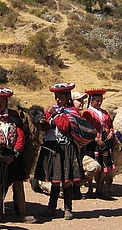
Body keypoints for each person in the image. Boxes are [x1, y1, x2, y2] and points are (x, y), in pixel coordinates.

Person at [34, 82, 85, 220]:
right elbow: (45, 128)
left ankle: (68, 208)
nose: (58, 99)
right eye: (56, 96)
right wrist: (41, 121)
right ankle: (51, 207)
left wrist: (55, 114)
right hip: (53, 148)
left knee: (67, 180)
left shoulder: (72, 111)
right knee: (55, 180)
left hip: (66, 148)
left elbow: (65, 127)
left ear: (67, 96)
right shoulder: (51, 110)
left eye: (61, 96)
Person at [0, 87, 33, 222]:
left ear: (6, 102)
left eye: (1, 102)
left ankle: (21, 213)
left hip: (14, 156)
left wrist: (14, 155)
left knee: (18, 184)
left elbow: (20, 136)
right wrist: (0, 156)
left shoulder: (13, 116)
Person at [82, 89, 115, 199]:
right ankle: (90, 188)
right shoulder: (87, 113)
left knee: (104, 164)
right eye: (97, 101)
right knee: (94, 164)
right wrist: (96, 139)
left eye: (101, 100)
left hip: (105, 141)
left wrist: (110, 132)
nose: (100, 103)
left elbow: (110, 125)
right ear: (91, 101)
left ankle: (99, 188)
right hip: (93, 142)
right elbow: (87, 128)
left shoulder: (104, 113)